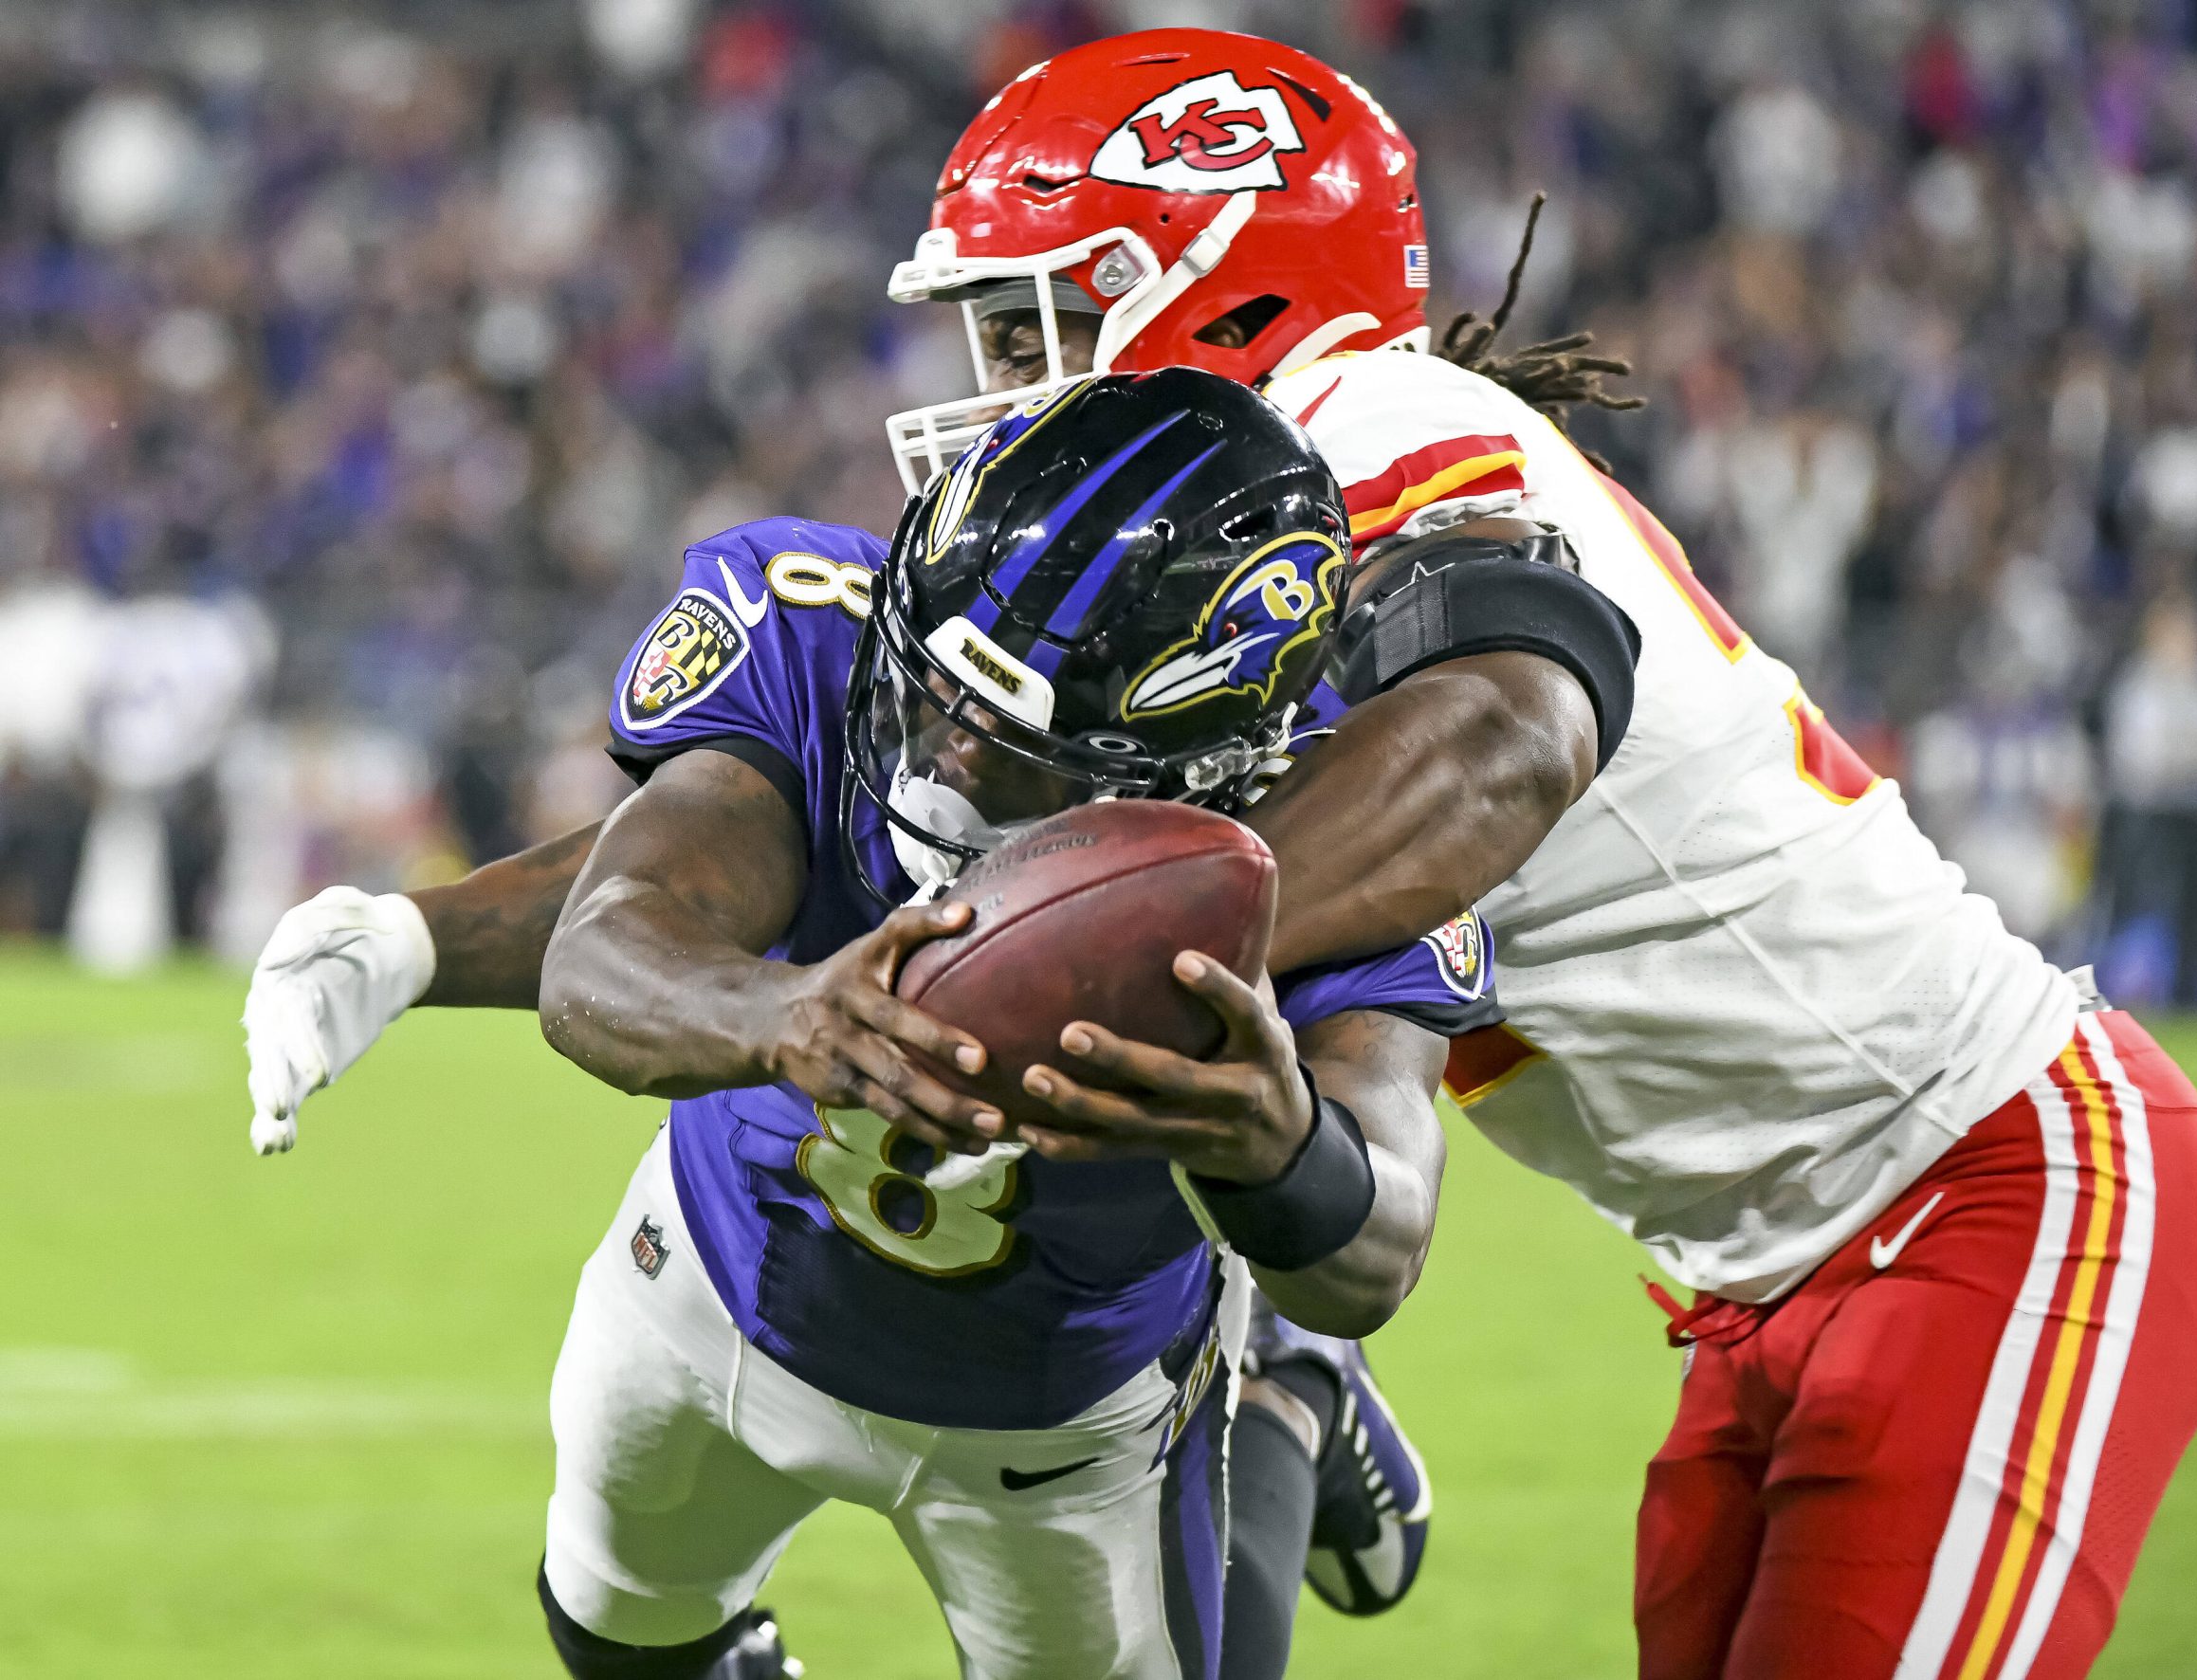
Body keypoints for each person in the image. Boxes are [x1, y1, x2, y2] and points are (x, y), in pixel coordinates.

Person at [245, 28, 2197, 1678]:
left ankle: (1274, 1370)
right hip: (1739, 1281)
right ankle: (1280, 1368)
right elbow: (834, 853)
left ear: (1206, 297)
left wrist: (1078, 942)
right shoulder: (1161, 581)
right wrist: (417, 942)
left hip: (1979, 1189)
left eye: (1032, 321)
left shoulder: (1367, 423)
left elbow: (1498, 732)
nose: (994, 388)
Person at [531, 367, 1491, 1680]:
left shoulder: (1336, 841)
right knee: (620, 1635)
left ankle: (1291, 1391)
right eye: (937, 698)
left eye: (1023, 747)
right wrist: (784, 1007)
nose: (948, 759)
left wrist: (1281, 1149)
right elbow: (597, 962)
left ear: (1207, 771)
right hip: (703, 1281)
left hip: (1064, 1420)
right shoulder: (812, 632)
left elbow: (1377, 1251)